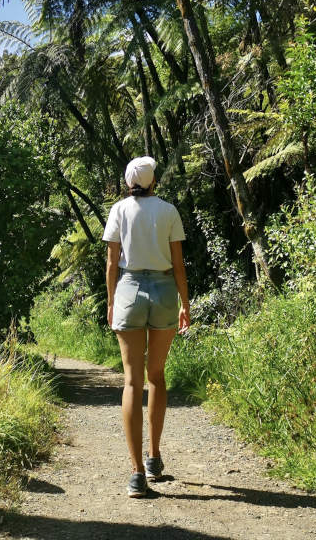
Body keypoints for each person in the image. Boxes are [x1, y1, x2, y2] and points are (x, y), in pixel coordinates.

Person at [103, 155, 190, 497]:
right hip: (165, 290)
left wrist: (111, 302)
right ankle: (154, 457)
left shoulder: (119, 211)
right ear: (154, 181)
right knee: (156, 376)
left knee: (131, 380)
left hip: (129, 290)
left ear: (128, 183)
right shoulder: (168, 211)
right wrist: (186, 303)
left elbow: (112, 261)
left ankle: (137, 473)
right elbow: (179, 264)